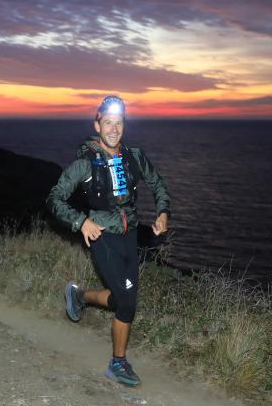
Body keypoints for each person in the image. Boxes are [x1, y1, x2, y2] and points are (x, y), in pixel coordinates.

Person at [46, 95, 170, 387]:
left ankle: (79, 296)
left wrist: (163, 212)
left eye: (119, 123)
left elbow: (158, 184)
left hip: (130, 238)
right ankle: (118, 362)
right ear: (97, 125)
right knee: (127, 303)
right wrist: (81, 222)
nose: (114, 129)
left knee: (121, 299)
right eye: (108, 123)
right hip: (102, 238)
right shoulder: (85, 164)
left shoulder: (134, 157)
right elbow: (53, 198)